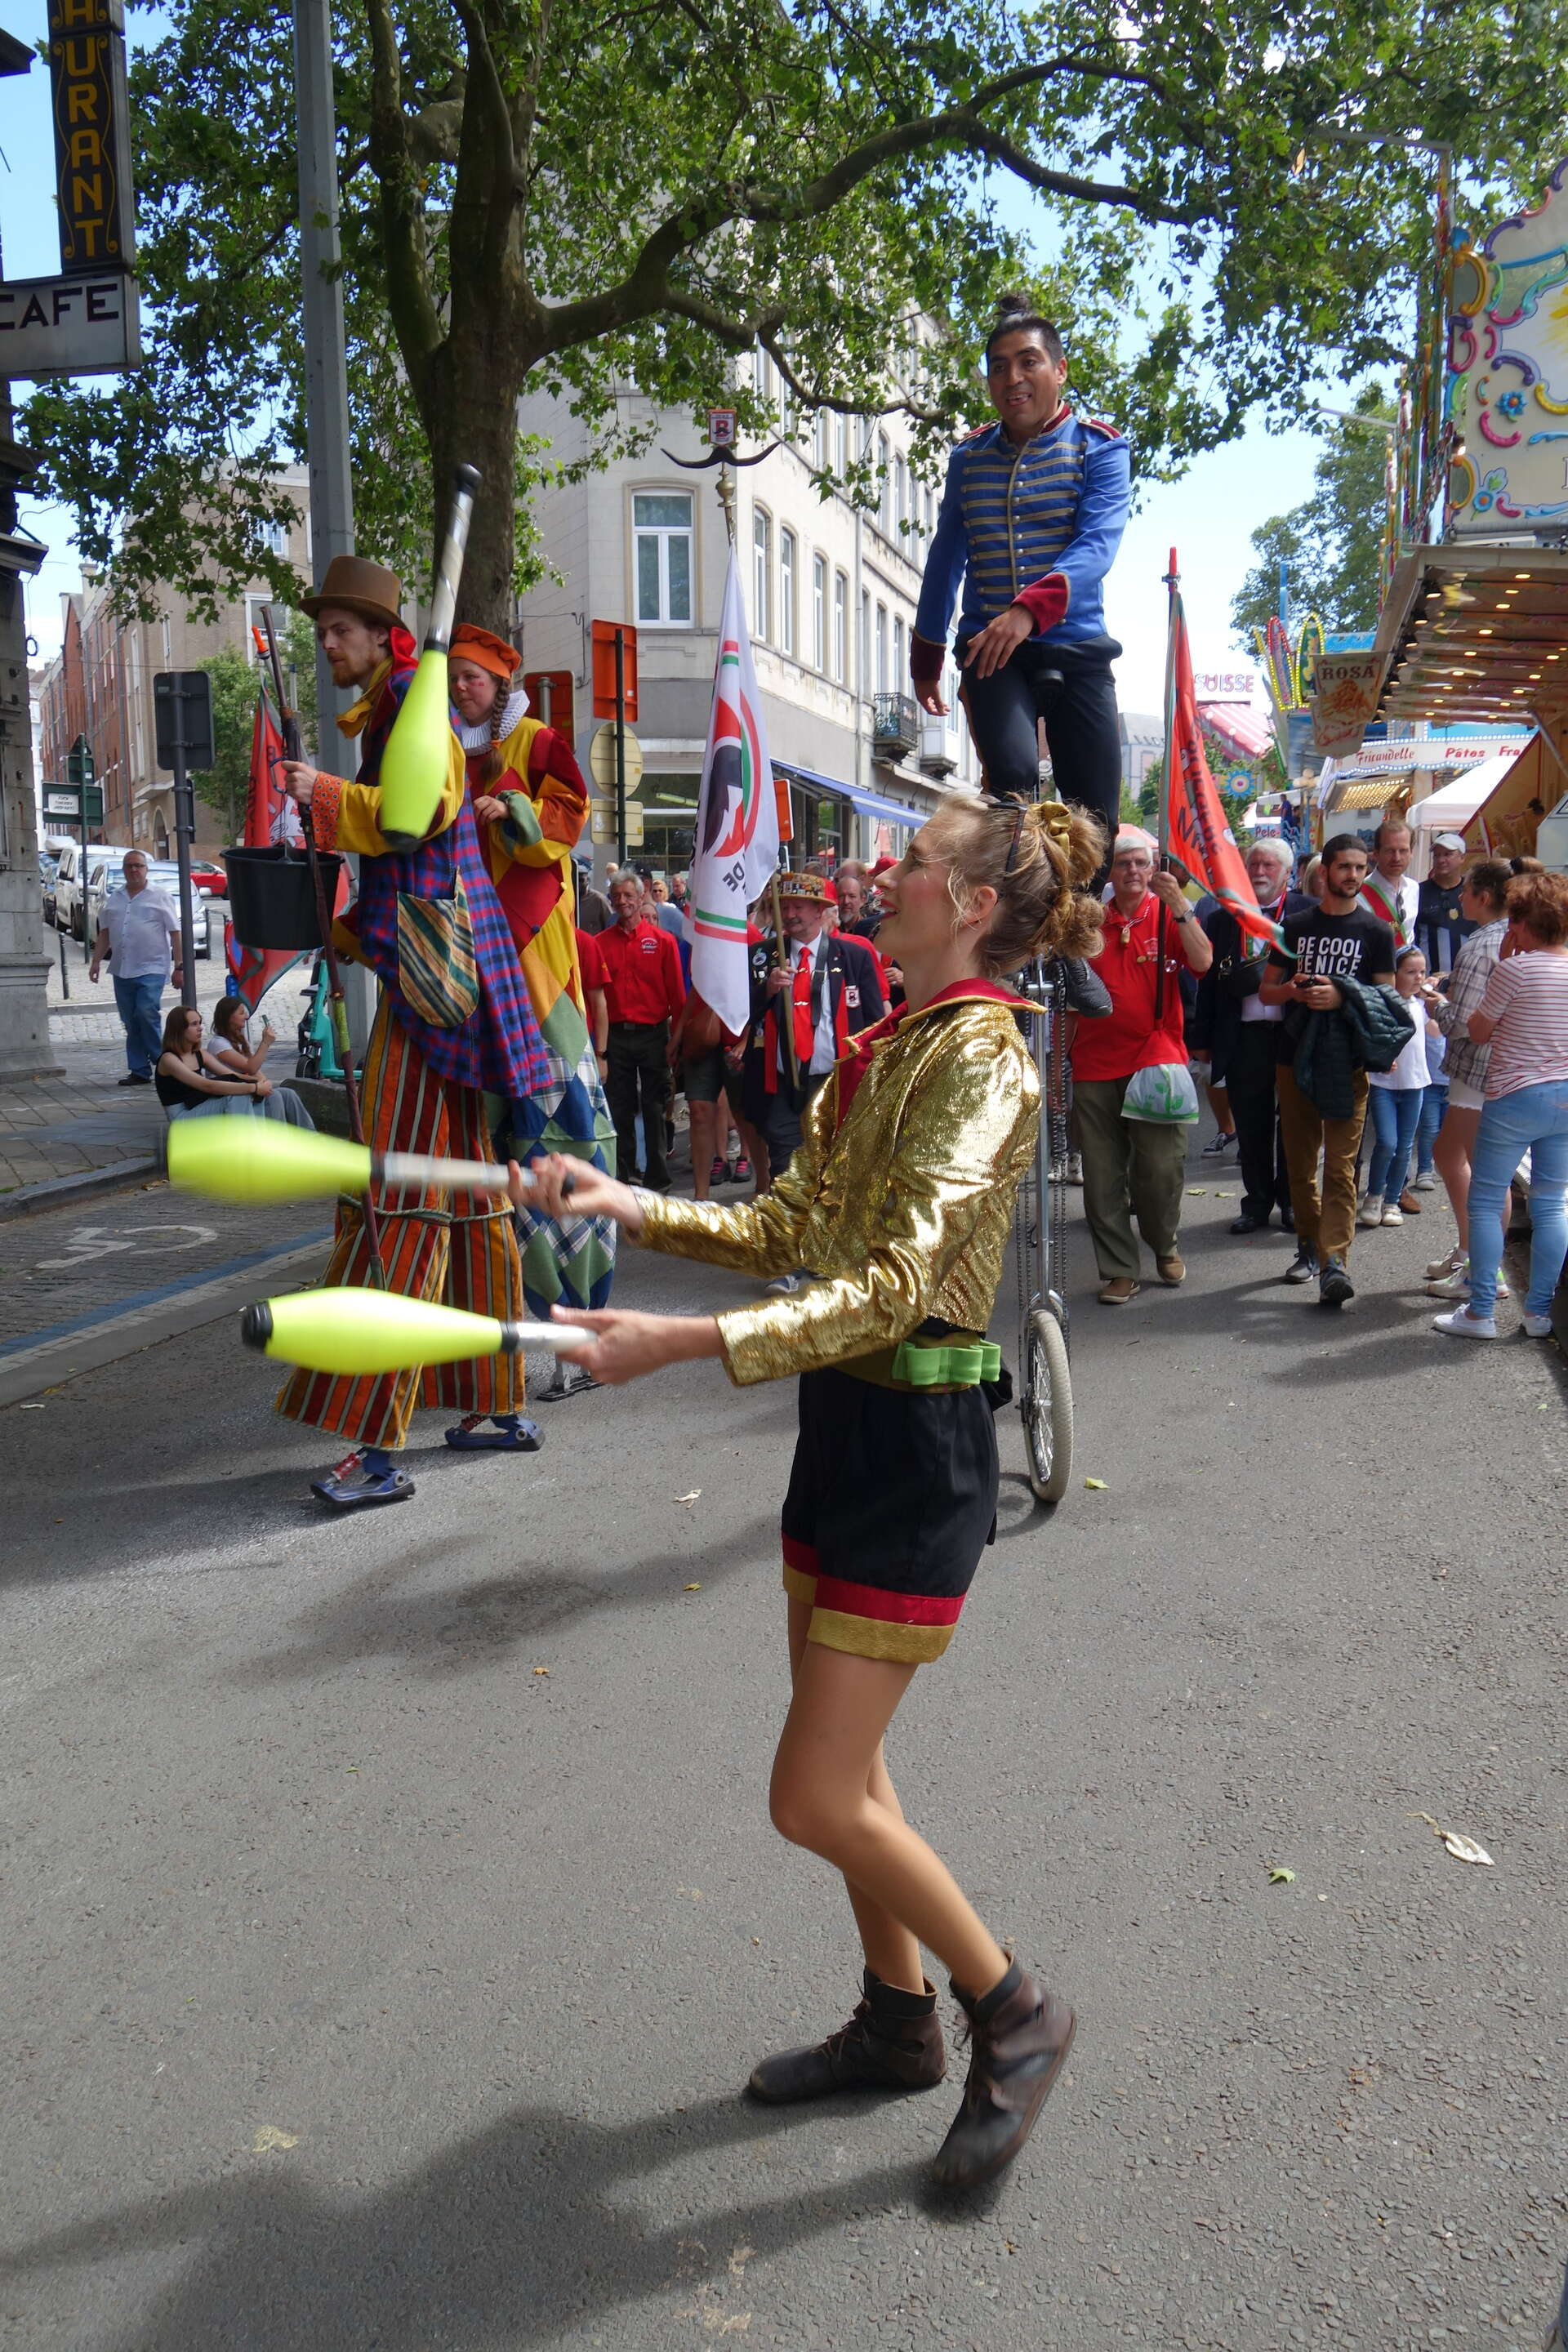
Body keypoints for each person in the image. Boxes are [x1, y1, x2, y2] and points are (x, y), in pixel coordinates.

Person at [519, 794, 1105, 2193]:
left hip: (918, 1450)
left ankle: (1014, 2010)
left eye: (916, 862)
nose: (885, 873)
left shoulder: (985, 1063)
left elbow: (897, 1287)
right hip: (843, 1427)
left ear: (971, 905)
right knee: (854, 1773)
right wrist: (629, 1203)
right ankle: (898, 2023)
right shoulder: (887, 1045)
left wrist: (678, 1345)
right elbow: (794, 1226)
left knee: (812, 1794)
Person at [275, 555, 552, 1506]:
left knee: (397, 1201)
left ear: (381, 635)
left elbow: (409, 820)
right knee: (469, 1198)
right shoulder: (401, 707)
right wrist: (350, 930)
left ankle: (376, 1449)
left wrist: (317, 792)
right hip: (448, 984)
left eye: (339, 631)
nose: (327, 644)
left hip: (433, 994)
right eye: (322, 631)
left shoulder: (410, 708)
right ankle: (494, 1403)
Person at [447, 625, 617, 1361]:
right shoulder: (446, 750)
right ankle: (505, 1315)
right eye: (454, 677)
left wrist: (514, 809)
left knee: (562, 1134)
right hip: (468, 966)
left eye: (473, 677)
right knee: (492, 1145)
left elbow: (570, 817)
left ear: (500, 686)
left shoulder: (537, 740)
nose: (461, 688)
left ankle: (576, 1314)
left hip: (534, 968)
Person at [910, 295, 1130, 839]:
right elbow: (946, 557)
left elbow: (1097, 545)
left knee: (1096, 819)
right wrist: (927, 655)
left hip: (1077, 645)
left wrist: (1028, 612)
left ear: (1060, 370)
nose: (1013, 379)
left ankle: (1080, 893)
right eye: (999, 367)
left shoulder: (1100, 449)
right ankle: (1012, 886)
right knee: (1010, 785)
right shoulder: (969, 459)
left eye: (1028, 362)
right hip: (991, 649)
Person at [1069, 834, 1212, 1303]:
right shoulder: (1090, 922)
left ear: (1153, 869)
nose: (1133, 870)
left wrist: (1181, 906)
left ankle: (1164, 1242)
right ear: (1109, 872)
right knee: (1101, 1176)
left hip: (1156, 1059)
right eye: (1123, 863)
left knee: (1160, 1170)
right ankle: (1119, 1270)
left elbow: (1203, 961)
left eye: (1141, 863)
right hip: (1093, 1062)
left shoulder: (1168, 914)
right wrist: (1055, 1068)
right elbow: (1071, 1002)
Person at [1259, 834, 1399, 1307]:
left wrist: (1342, 995)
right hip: (1294, 1057)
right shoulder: (1295, 927)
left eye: (1361, 867)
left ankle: (1335, 1261)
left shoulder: (1376, 931)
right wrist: (1294, 990)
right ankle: (1309, 1246)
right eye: (1345, 867)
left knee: (1340, 1168)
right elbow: (1267, 991)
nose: (1354, 876)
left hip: (1349, 1061)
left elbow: (1387, 999)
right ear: (1325, 872)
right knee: (1300, 1167)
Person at [1432, 869, 1568, 1341]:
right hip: (1564, 1096)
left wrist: (1508, 963)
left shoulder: (1514, 969)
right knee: (1552, 1204)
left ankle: (1481, 1311)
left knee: (1487, 1202)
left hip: (1513, 1095)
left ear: (1524, 923)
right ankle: (1539, 1313)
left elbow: (1479, 1030)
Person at [1192, 837, 1312, 1235]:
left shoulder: (1308, 913)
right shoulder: (1224, 917)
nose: (1259, 872)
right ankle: (1256, 1204)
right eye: (1254, 865)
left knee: (1293, 1124)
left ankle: (1291, 1201)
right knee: (1250, 1124)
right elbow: (1209, 982)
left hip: (1294, 1033)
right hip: (1244, 1035)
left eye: (1268, 866)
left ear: (1288, 873)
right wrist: (1202, 1038)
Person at [753, 869, 887, 1187]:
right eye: (785, 907)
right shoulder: (764, 954)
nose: (790, 914)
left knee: (834, 1169)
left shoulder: (853, 956)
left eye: (798, 907)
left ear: (819, 910)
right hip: (783, 1084)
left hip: (835, 1081)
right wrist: (767, 990)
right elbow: (744, 1013)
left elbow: (874, 1023)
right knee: (785, 1172)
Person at [1425, 859, 1512, 1296]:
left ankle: (1485, 1272)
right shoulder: (1512, 934)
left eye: (1467, 890)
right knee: (1448, 1153)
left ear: (1484, 896)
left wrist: (1436, 1004)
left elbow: (1461, 1022)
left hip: (1479, 1067)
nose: (1460, 896)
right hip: (1489, 1067)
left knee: (1487, 1174)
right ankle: (1469, 1252)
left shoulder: (1481, 945)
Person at [597, 871, 685, 1191]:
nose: (622, 901)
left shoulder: (663, 941)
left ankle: (658, 1179)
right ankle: (624, 1177)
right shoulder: (600, 944)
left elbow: (678, 998)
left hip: (654, 1035)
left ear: (640, 897)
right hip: (616, 1036)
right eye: (616, 896)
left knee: (655, 1108)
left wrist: (675, 1043)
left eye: (628, 896)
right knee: (619, 1108)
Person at [89, 848, 185, 1086]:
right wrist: (96, 961)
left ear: (146, 869)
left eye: (138, 866)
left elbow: (175, 933)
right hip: (122, 968)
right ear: (123, 870)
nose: (134, 870)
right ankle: (140, 1070)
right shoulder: (115, 897)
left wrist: (179, 966)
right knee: (131, 1021)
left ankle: (163, 1062)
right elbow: (105, 933)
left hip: (152, 967)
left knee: (146, 1012)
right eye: (129, 866)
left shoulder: (160, 896)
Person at [1360, 947, 1434, 1228]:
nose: (1418, 978)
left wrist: (1439, 1001)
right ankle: (1373, 1197)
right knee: (1387, 1143)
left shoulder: (1421, 1005)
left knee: (1404, 1147)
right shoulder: (1383, 1003)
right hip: (1384, 1085)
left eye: (1422, 972)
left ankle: (1392, 1201)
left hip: (1415, 1084)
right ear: (1394, 974)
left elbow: (1438, 1030)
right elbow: (1370, 1039)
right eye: (1411, 972)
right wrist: (1380, 1059)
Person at [154, 1005, 314, 1125]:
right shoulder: (169, 1059)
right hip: (182, 1116)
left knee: (285, 1093)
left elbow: (233, 1075)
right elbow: (207, 1085)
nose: (200, 1028)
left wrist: (259, 1083)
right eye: (194, 1024)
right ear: (179, 1029)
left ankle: (309, 1139)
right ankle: (258, 1145)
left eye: (200, 1023)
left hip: (198, 1105)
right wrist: (254, 1088)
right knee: (239, 1095)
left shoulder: (199, 1053)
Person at [1414, 831, 1476, 978]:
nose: (1441, 860)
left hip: (1467, 978)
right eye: (1437, 855)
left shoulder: (1473, 892)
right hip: (1428, 981)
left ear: (1462, 857)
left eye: (1448, 854)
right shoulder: (1418, 892)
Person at [1357, 815, 1418, 947]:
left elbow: (1410, 935)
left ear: (1411, 853)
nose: (1397, 858)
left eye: (1403, 851)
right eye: (1390, 851)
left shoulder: (1414, 888)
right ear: (1376, 853)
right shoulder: (1359, 894)